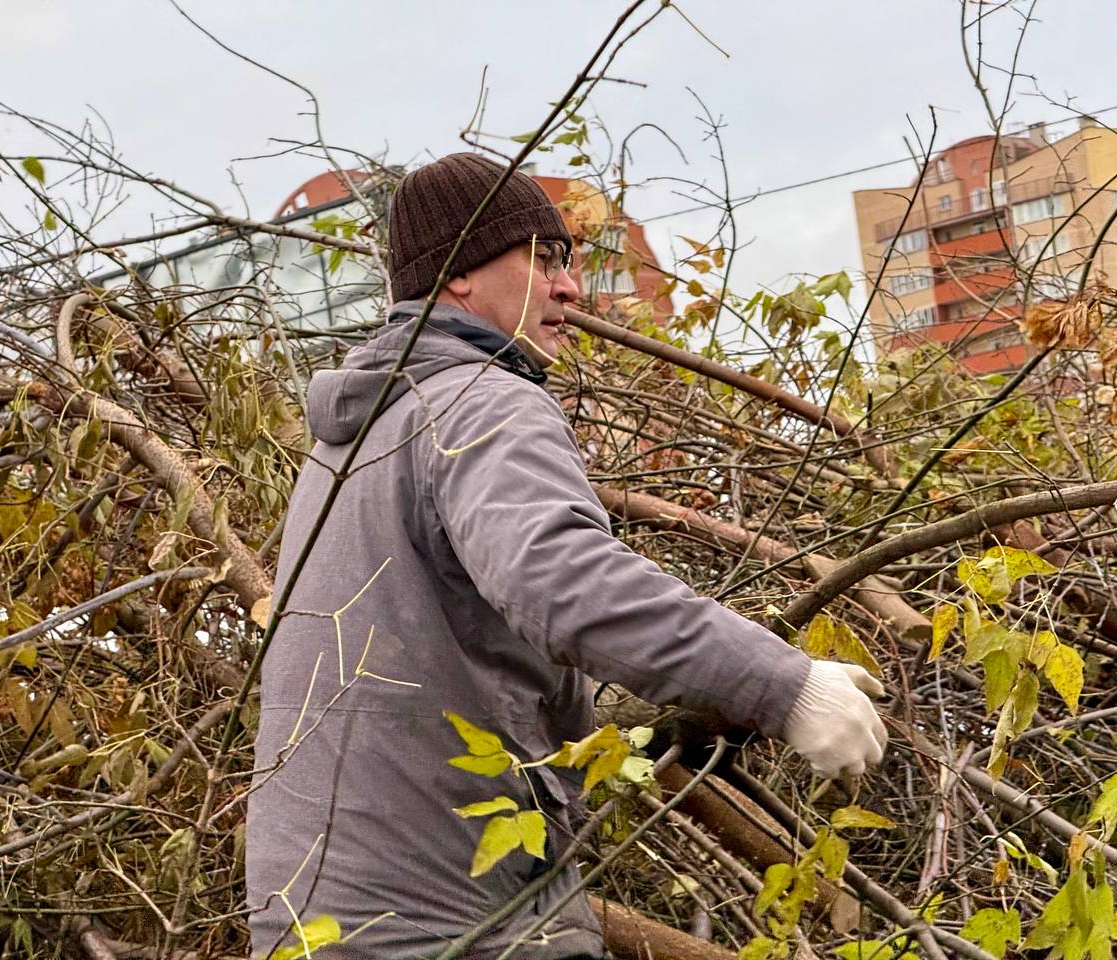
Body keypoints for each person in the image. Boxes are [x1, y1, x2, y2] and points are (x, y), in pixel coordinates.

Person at [245, 153, 887, 959]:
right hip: (452, 921)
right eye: (541, 258)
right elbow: (560, 578)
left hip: (314, 915)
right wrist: (783, 685)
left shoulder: (351, 436)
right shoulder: (479, 399)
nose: (569, 287)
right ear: (458, 276)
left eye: (568, 260)